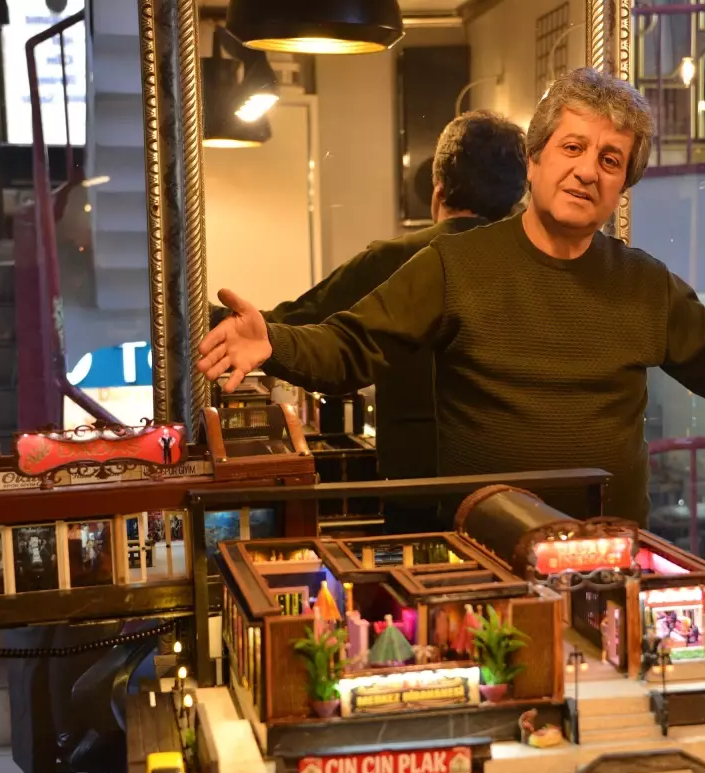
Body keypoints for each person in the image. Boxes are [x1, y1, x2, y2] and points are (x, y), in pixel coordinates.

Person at [197, 67, 705, 525]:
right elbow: (350, 347)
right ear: (534, 161)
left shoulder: (646, 284)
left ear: (621, 186)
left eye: (609, 159)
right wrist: (272, 342)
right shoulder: (453, 266)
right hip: (483, 563)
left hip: (612, 561)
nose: (587, 170)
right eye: (572, 148)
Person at [212, 110, 528, 530]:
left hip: (415, 484)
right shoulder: (532, 266)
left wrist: (208, 315)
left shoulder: (395, 259)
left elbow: (299, 323)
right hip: (515, 491)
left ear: (437, 189)